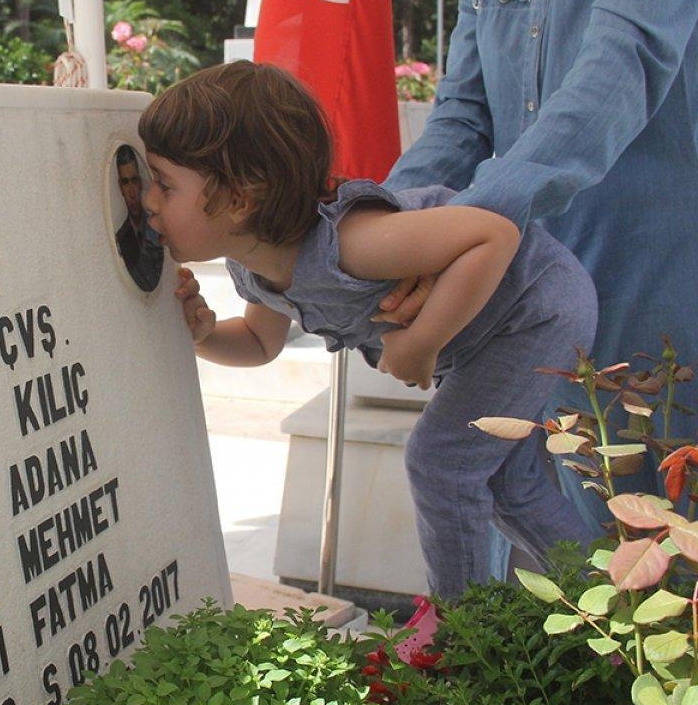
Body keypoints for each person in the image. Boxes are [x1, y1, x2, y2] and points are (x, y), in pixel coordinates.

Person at [140, 60, 597, 599]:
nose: (148, 201)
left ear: (240, 199)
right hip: (493, 333)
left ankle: (465, 645)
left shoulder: (351, 243)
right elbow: (261, 343)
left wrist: (421, 342)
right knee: (505, 483)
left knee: (443, 461)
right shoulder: (255, 267)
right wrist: (205, 334)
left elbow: (491, 235)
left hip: (534, 307)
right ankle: (628, 610)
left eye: (164, 185)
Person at [380, 0, 698, 542]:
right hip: (530, 293)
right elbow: (462, 116)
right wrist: (376, 229)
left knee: (659, 548)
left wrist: (457, 231)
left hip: (654, 283)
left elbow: (624, 61)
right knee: (542, 546)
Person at [113, 144, 164, 292]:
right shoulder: (122, 237)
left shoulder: (156, 227)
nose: (132, 193)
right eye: (125, 182)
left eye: (134, 180)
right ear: (120, 187)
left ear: (141, 183)